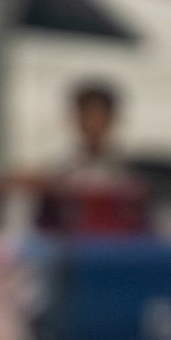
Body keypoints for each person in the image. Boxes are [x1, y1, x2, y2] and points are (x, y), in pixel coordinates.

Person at [25, 81, 152, 238]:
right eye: (87, 116)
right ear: (76, 119)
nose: (93, 124)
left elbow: (145, 224)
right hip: (73, 247)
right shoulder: (57, 171)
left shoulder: (132, 170)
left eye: (99, 116)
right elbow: (44, 227)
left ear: (112, 119)